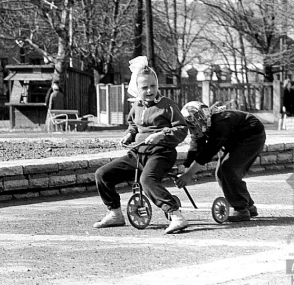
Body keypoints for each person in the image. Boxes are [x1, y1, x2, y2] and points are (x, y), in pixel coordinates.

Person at [93, 56, 189, 234]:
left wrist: (161, 135)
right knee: (102, 174)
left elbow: (182, 130)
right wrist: (130, 134)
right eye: (144, 87)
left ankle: (176, 215)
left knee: (147, 181)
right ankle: (114, 213)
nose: (149, 90)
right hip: (138, 154)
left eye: (153, 86)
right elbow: (133, 124)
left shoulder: (167, 105)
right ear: (137, 89)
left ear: (157, 85)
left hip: (161, 153)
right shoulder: (136, 106)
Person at [176, 101, 266, 222]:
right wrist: (186, 168)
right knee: (220, 173)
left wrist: (189, 174)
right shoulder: (202, 125)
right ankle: (248, 205)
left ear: (200, 120)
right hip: (234, 138)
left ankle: (241, 209)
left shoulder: (220, 123)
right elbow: (195, 149)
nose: (191, 132)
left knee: (229, 169)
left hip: (251, 136)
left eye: (192, 127)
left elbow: (209, 151)